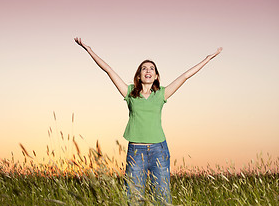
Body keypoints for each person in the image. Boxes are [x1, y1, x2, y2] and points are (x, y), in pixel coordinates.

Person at [74, 37, 222, 205]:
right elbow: (108, 70)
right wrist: (89, 49)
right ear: (139, 75)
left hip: (159, 149)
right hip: (136, 152)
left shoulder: (161, 94)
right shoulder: (130, 93)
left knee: (162, 197)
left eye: (151, 68)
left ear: (156, 76)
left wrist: (208, 59)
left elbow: (185, 76)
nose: (148, 70)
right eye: (144, 68)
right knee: (133, 198)